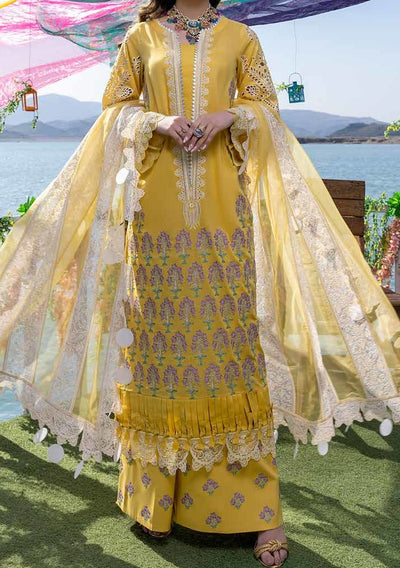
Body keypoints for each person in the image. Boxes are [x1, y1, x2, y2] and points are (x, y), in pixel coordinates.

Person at [1, 1, 399, 567]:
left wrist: (229, 117)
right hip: (154, 208)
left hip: (224, 209)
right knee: (158, 347)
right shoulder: (141, 38)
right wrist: (156, 122)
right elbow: (114, 113)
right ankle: (155, 501)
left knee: (229, 348)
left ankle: (258, 511)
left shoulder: (240, 37)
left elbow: (266, 111)